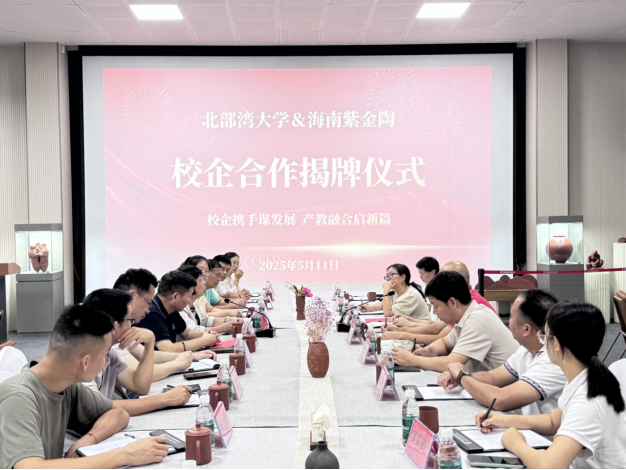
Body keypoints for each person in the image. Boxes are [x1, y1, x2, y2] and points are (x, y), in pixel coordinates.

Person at [0, 305, 169, 468]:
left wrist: (89, 439)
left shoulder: (66, 386)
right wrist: (125, 455)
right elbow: (30, 467)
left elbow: (118, 413)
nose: (105, 361)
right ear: (86, 362)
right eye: (105, 355)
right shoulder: (18, 396)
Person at [477, 302, 626, 469]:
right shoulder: (587, 376)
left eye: (543, 335)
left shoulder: (587, 399)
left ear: (556, 343)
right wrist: (503, 420)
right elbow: (553, 422)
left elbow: (549, 466)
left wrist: (516, 444)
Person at [438, 290, 567, 415]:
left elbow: (499, 400)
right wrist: (460, 378)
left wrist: (462, 376)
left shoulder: (551, 361)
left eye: (511, 317)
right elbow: (493, 377)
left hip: (544, 431)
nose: (508, 321)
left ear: (526, 329)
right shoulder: (525, 350)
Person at [81, 289, 193, 415]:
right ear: (114, 326)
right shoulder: (81, 358)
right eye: (130, 320)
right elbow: (100, 406)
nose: (132, 326)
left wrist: (150, 342)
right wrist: (166, 399)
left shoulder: (110, 352)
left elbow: (141, 387)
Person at [391, 271, 518, 373]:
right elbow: (445, 343)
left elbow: (450, 363)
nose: (434, 312)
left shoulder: (477, 319)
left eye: (436, 306)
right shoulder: (466, 315)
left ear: (452, 302)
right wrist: (426, 351)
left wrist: (413, 360)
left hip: (503, 390)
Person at [113, 268, 217, 382]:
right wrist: (177, 364)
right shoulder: (112, 332)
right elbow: (139, 379)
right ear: (132, 296)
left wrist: (192, 356)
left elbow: (152, 356)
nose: (148, 309)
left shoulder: (123, 329)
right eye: (148, 301)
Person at [382, 261, 499, 344]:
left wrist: (400, 334)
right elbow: (435, 328)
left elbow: (439, 337)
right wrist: (402, 329)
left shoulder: (466, 302)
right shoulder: (462, 298)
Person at [136, 270, 218, 353]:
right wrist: (203, 341)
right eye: (189, 296)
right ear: (175, 296)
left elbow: (187, 333)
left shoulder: (171, 309)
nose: (189, 301)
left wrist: (205, 334)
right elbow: (168, 349)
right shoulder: (151, 313)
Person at [177, 265, 234, 334]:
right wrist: (221, 329)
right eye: (201, 280)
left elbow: (203, 320)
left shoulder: (193, 302)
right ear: (190, 284)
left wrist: (228, 320)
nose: (204, 283)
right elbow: (192, 331)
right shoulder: (179, 307)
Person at [361, 264, 430, 320]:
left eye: (391, 274)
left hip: (421, 330)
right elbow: (384, 304)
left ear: (402, 277)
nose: (387, 278)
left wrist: (386, 290)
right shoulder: (395, 291)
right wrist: (370, 308)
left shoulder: (411, 295)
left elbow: (388, 314)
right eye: (387, 275)